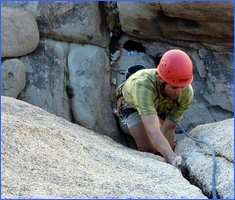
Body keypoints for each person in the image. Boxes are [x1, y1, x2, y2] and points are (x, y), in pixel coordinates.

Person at [117, 49, 194, 169]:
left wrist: (169, 157)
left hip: (160, 104)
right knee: (148, 149)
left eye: (182, 87)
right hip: (132, 103)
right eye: (174, 88)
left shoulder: (187, 93)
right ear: (162, 80)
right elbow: (152, 128)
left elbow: (169, 128)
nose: (179, 92)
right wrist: (172, 158)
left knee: (162, 150)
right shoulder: (143, 86)